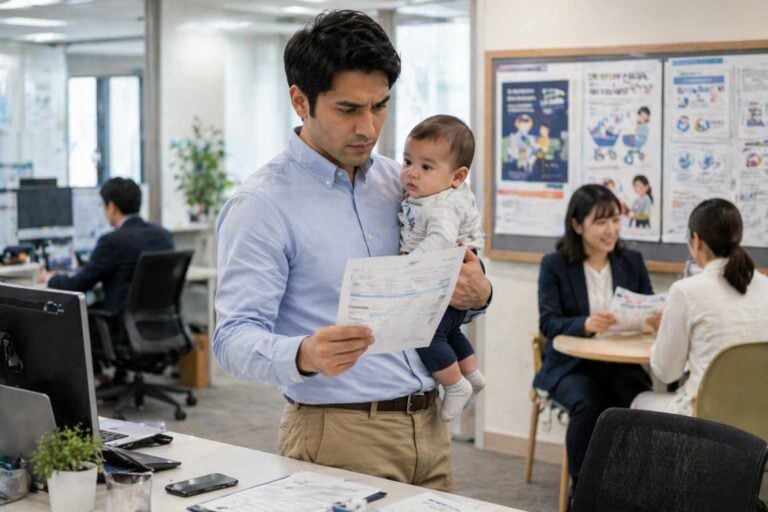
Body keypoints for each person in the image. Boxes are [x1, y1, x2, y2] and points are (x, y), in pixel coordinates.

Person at [213, 10, 492, 491]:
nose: (368, 127)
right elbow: (231, 338)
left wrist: (478, 290)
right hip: (338, 431)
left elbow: (443, 288)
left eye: (379, 106)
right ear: (301, 101)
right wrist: (303, 353)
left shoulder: (403, 184)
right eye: (348, 109)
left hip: (429, 425)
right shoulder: (261, 204)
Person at [534, 184, 655, 492]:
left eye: (615, 220)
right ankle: (584, 492)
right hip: (570, 366)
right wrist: (586, 323)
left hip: (619, 365)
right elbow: (549, 323)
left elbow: (648, 306)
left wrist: (654, 320)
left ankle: (628, 489)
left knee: (640, 401)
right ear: (577, 225)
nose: (611, 230)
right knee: (588, 405)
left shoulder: (632, 261)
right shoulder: (555, 265)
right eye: (601, 222)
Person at [632, 199, 768, 415]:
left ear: (696, 241)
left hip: (707, 418)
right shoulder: (765, 286)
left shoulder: (686, 291)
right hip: (759, 417)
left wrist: (664, 331)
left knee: (640, 401)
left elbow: (666, 373)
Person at [398, 115, 486, 422]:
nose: (411, 173)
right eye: (407, 161)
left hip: (449, 276)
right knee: (449, 331)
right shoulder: (429, 196)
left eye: (425, 166)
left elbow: (441, 239)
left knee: (425, 334)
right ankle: (471, 373)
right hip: (448, 280)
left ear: (457, 177)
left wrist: (407, 265)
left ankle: (455, 385)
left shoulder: (442, 206)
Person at [40, 177, 173, 312]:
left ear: (111, 207)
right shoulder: (164, 235)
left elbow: (77, 285)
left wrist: (51, 278)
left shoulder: (112, 241)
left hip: (120, 323)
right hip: (161, 322)